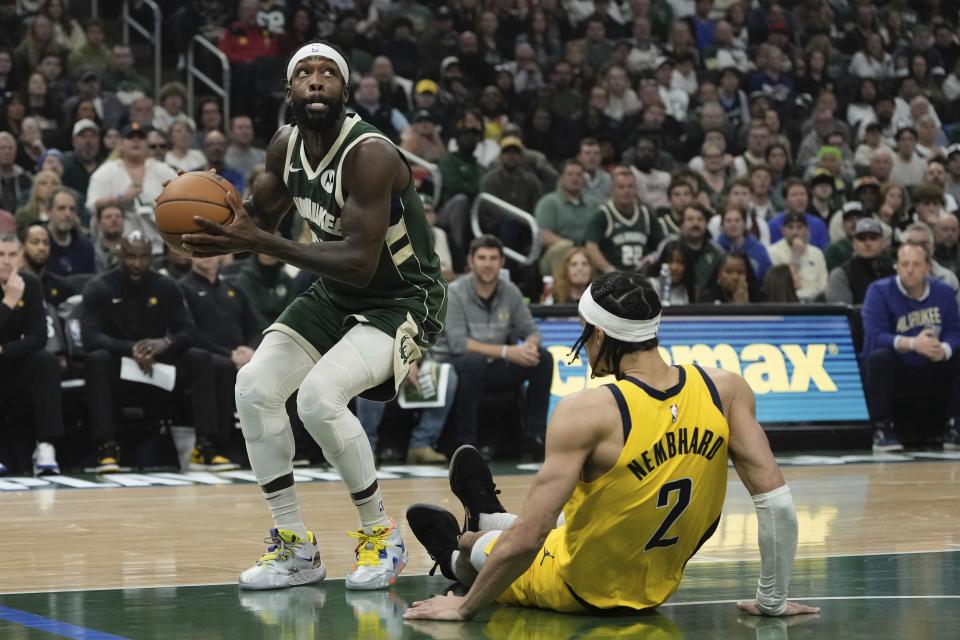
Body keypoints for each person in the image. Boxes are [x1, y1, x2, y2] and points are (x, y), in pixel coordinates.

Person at [177, 41, 446, 592]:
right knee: (252, 386)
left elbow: (356, 258)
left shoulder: (371, 154)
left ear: (345, 92)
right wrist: (206, 217)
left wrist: (260, 240)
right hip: (336, 292)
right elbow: (256, 217)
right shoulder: (283, 146)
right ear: (289, 90)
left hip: (402, 298)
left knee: (319, 399)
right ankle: (295, 546)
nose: (316, 81)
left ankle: (381, 536)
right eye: (305, 73)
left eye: (328, 74)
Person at [403, 271, 819, 620]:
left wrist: (462, 608)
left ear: (600, 335)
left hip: (579, 587)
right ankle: (490, 516)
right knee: (581, 521)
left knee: (486, 548)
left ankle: (453, 551)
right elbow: (778, 504)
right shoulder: (724, 389)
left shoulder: (587, 411)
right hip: (656, 586)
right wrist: (772, 600)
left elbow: (530, 538)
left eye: (585, 331)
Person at [80, 232, 231, 473]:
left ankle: (205, 447)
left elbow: (189, 331)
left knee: (200, 358)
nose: (137, 264)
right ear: (120, 255)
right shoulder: (99, 286)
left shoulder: (166, 286)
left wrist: (166, 342)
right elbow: (90, 338)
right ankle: (106, 447)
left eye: (143, 257)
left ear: (153, 258)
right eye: (130, 256)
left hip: (158, 366)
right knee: (97, 359)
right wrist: (131, 348)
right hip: (120, 368)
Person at [430, 235, 552, 459]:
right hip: (454, 366)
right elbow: (459, 344)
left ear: (502, 262)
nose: (488, 264)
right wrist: (507, 351)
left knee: (542, 358)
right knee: (473, 363)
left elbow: (532, 331)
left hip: (491, 366)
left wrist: (530, 346)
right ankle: (466, 443)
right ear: (471, 261)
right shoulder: (454, 292)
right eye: (482, 258)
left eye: (493, 258)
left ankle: (535, 437)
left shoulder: (511, 291)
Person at [861, 242, 960, 452]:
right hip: (899, 366)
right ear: (897, 265)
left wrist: (943, 349)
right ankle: (882, 428)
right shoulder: (878, 291)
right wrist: (915, 344)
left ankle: (955, 426)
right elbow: (875, 336)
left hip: (933, 363)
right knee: (879, 358)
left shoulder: (944, 292)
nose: (909, 269)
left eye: (916, 264)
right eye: (904, 263)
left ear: (927, 267)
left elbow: (954, 331)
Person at [179, 255, 260, 471]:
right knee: (217, 364)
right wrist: (229, 354)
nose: (208, 256)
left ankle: (295, 446)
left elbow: (254, 327)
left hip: (241, 357)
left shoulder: (233, 289)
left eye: (212, 250)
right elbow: (189, 332)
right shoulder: (182, 288)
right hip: (202, 358)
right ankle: (208, 446)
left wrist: (250, 350)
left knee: (278, 364)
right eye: (200, 251)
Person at [0, 231, 62, 476]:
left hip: (13, 366)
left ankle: (46, 446)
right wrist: (8, 302)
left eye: (12, 254)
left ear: (21, 257)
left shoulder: (32, 284)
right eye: (0, 255)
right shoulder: (16, 291)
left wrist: (5, 350)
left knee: (45, 360)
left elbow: (39, 337)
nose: (6, 260)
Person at [584, 167, 661, 273]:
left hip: (642, 276)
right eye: (621, 187)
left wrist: (653, 257)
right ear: (612, 190)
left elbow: (662, 244)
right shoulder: (603, 215)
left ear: (636, 189)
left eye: (630, 187)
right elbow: (591, 247)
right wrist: (609, 270)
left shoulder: (646, 213)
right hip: (612, 276)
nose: (626, 191)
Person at [534, 159, 594, 276]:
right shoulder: (549, 202)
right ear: (561, 178)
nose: (575, 178)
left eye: (579, 174)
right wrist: (575, 247)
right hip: (557, 253)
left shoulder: (594, 203)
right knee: (564, 248)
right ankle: (561, 291)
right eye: (570, 174)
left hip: (588, 250)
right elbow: (544, 236)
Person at [767, 212, 828, 302]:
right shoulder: (772, 252)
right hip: (787, 302)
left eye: (799, 227)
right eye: (790, 227)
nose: (795, 232)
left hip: (815, 303)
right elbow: (781, 287)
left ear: (807, 230)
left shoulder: (817, 253)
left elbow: (824, 286)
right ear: (782, 231)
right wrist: (796, 256)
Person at [18, 222, 74, 307]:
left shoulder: (63, 287)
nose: (41, 248)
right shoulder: (11, 286)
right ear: (22, 247)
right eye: (35, 242)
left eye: (46, 242)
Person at [44, 186, 94, 276]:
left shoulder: (86, 247)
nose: (68, 214)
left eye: (72, 209)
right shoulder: (39, 245)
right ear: (48, 212)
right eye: (61, 208)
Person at [713, 205, 771, 281]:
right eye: (728, 221)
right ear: (722, 225)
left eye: (737, 220)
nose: (733, 224)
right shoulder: (714, 249)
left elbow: (767, 277)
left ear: (744, 224)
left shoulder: (758, 250)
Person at [699, 251, 764, 304]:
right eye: (729, 272)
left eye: (740, 272)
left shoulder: (760, 299)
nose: (735, 277)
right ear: (718, 275)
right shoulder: (706, 299)